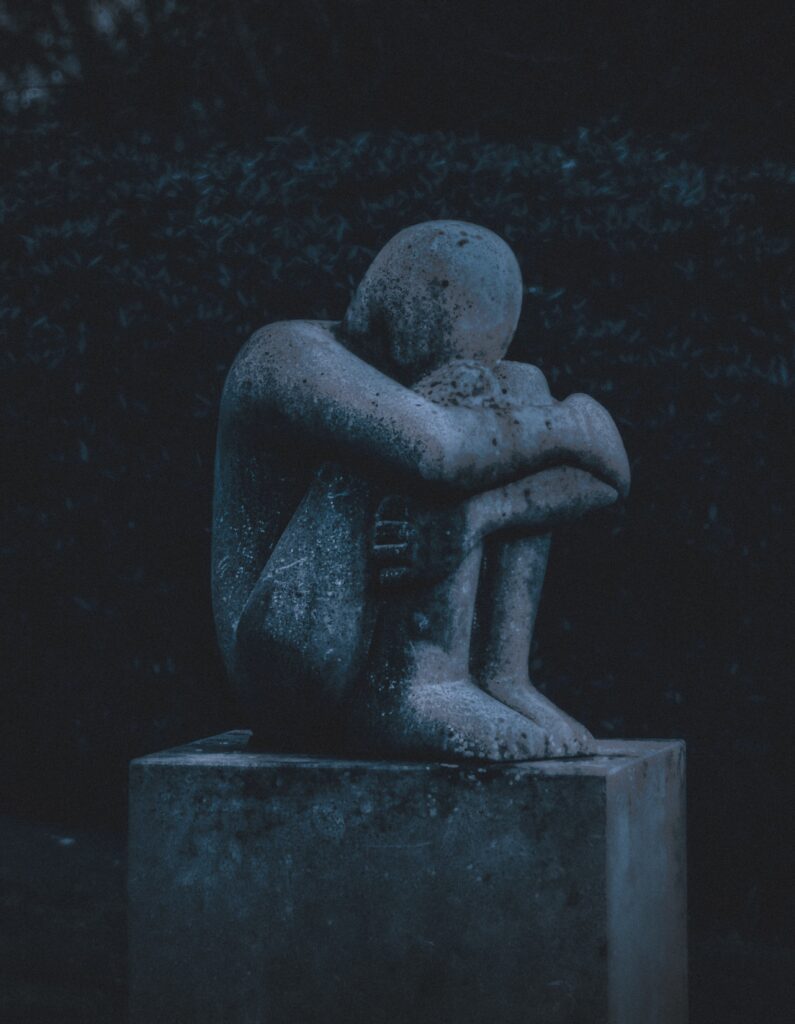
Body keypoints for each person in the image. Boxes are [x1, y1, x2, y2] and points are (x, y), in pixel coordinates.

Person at [212, 221, 629, 759]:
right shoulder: (285, 355)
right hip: (289, 653)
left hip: (350, 621)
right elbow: (437, 451)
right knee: (462, 400)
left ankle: (502, 676)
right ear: (397, 314)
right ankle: (419, 684)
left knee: (518, 387)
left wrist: (480, 515)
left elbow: (607, 479)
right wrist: (572, 422)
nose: (473, 367)